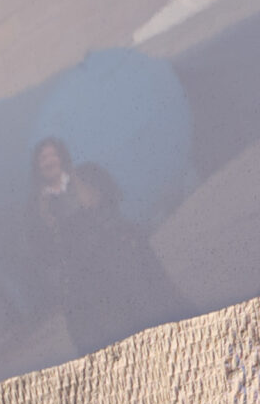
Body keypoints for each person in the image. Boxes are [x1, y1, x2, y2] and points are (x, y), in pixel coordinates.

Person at [24, 137, 186, 358]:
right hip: (85, 280)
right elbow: (41, 250)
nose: (49, 161)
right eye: (43, 158)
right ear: (37, 166)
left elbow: (114, 200)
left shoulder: (87, 177)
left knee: (147, 308)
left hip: (118, 260)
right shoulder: (36, 208)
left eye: (53, 154)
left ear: (61, 157)